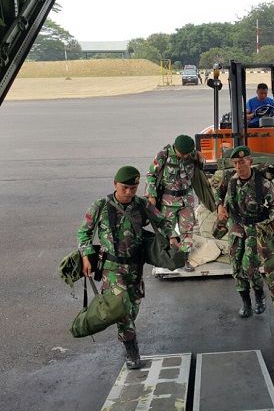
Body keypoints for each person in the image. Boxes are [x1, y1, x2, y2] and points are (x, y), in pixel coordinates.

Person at [77, 166, 175, 369]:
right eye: (125, 188)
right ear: (115, 184)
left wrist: (172, 237)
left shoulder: (141, 205)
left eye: (133, 188)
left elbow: (163, 221)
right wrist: (85, 256)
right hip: (111, 268)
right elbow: (84, 233)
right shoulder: (100, 206)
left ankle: (128, 336)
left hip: (135, 267)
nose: (129, 192)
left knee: (132, 307)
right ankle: (132, 352)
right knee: (121, 309)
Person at [215, 146, 274, 317]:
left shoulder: (262, 184)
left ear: (250, 161)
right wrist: (220, 207)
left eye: (242, 162)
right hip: (236, 227)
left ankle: (259, 296)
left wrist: (263, 223)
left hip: (255, 228)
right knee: (236, 266)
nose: (239, 166)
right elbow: (219, 193)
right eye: (235, 163)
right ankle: (246, 303)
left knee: (249, 267)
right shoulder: (230, 179)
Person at [146, 135, 204, 271]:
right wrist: (151, 195)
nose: (184, 156)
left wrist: (200, 159)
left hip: (186, 199)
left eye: (187, 154)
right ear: (175, 148)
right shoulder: (163, 155)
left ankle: (184, 259)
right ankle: (169, 257)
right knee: (168, 230)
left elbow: (199, 170)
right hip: (168, 201)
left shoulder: (192, 155)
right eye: (182, 154)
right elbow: (151, 175)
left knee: (187, 231)